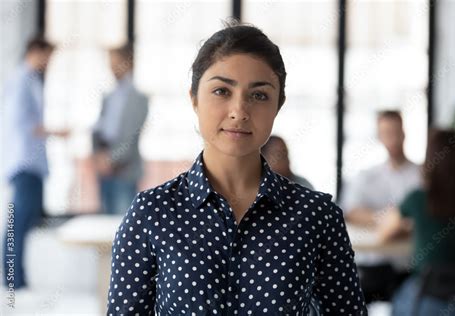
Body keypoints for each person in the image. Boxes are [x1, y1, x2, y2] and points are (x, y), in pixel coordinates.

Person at [106, 23, 367, 315]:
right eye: (221, 91)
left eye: (259, 95)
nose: (239, 111)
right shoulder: (152, 213)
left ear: (278, 105)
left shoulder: (317, 217)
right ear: (193, 98)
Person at [378, 129, 455, 315]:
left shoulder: (417, 199)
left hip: (427, 302)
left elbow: (384, 233)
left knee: (395, 299)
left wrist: (409, 228)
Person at [2, 36, 69, 290]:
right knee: (17, 222)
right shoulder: (21, 80)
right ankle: (13, 279)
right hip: (23, 163)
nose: (48, 61)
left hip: (30, 163)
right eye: (47, 56)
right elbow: (21, 122)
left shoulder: (30, 79)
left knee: (23, 221)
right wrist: (55, 132)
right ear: (35, 51)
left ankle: (15, 278)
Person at [339, 110, 422, 302]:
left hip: (408, 266)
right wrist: (392, 221)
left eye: (395, 132)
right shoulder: (366, 176)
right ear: (379, 137)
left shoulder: (420, 175)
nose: (392, 138)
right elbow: (350, 211)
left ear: (404, 133)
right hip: (373, 265)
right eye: (386, 133)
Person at [92, 43, 149, 215]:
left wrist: (111, 160)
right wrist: (99, 157)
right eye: (110, 63)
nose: (112, 68)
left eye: (115, 63)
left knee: (121, 227)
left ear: (128, 63)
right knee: (103, 229)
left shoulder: (139, 99)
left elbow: (131, 138)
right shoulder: (108, 96)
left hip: (125, 171)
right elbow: (99, 129)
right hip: (104, 171)